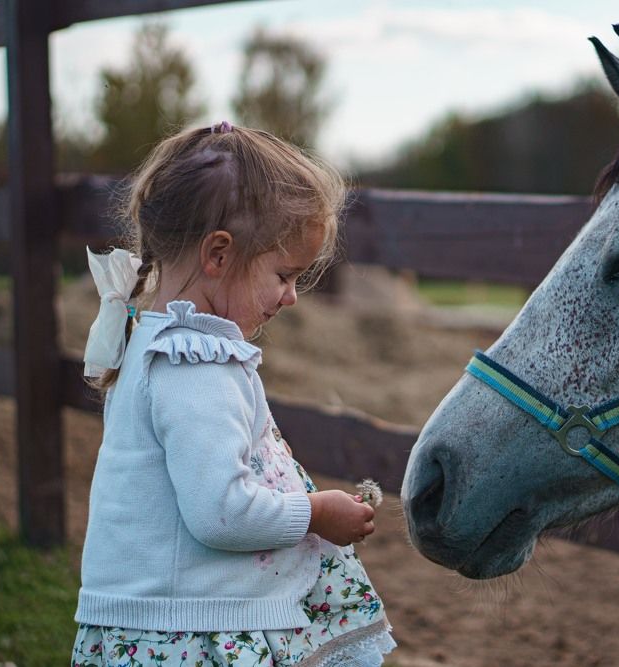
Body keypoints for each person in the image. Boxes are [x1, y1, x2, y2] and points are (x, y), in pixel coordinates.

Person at [71, 121, 395, 666]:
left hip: (159, 618)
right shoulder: (196, 365)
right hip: (188, 630)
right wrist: (314, 513)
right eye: (285, 274)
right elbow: (221, 512)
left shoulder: (154, 340)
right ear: (217, 255)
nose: (291, 297)